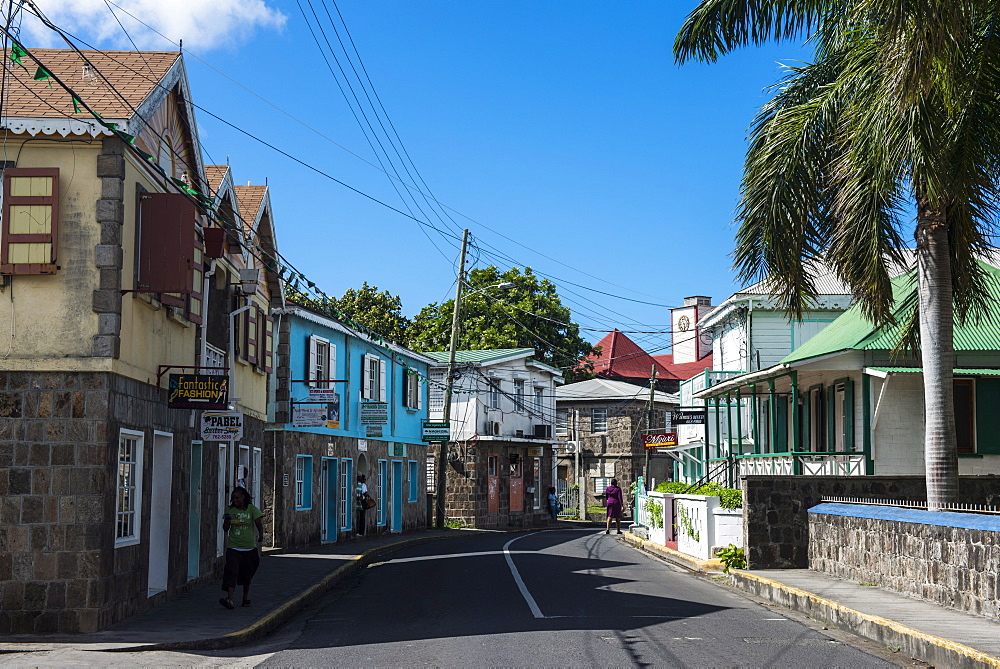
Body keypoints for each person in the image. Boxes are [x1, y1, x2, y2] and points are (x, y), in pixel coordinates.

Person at [220, 486, 264, 609]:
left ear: (243, 497)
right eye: (233, 498)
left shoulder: (251, 510)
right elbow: (225, 529)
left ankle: (245, 599)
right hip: (233, 548)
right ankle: (229, 599)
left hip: (249, 549)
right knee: (231, 572)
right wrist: (227, 521)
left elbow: (258, 524)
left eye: (237, 498)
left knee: (247, 574)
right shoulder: (230, 511)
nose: (235, 500)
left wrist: (261, 535)